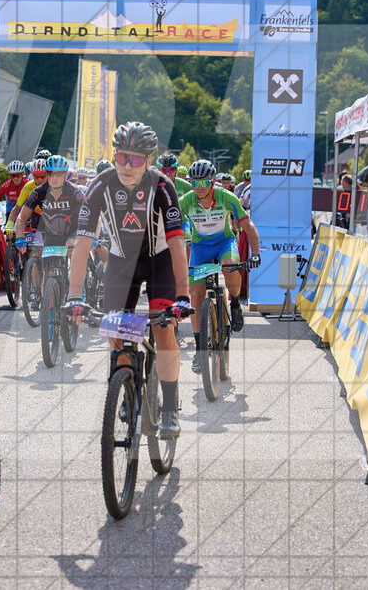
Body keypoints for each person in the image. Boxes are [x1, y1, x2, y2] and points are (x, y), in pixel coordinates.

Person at [64, 122, 193, 438]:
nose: (126, 165)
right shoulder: (100, 185)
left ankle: (171, 408)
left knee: (163, 330)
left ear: (149, 160)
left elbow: (177, 243)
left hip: (160, 261)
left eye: (135, 159)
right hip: (122, 262)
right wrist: (75, 294)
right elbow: (82, 242)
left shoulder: (163, 186)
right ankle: (125, 379)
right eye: (121, 157)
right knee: (115, 328)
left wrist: (183, 295)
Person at [180, 159, 261, 354]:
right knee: (196, 295)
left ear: (213, 181)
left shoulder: (227, 197)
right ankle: (200, 349)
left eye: (204, 183)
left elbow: (247, 225)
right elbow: (167, 221)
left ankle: (234, 302)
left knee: (229, 266)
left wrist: (256, 254)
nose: (199, 188)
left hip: (224, 242)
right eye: (195, 183)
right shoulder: (188, 200)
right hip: (200, 247)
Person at [14, 155, 84, 249]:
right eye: (50, 173)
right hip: (52, 234)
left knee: (70, 246)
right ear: (46, 174)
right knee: (45, 261)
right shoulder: (38, 192)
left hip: (74, 231)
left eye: (58, 174)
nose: (54, 177)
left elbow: (90, 213)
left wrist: (92, 235)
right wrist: (19, 237)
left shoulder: (75, 192)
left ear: (65, 174)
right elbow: (22, 217)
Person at [0, 160, 27, 227]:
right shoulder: (6, 186)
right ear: (10, 176)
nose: (15, 178)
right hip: (11, 210)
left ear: (23, 173)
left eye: (17, 175)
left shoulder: (28, 184)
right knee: (9, 232)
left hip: (24, 209)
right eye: (12, 176)